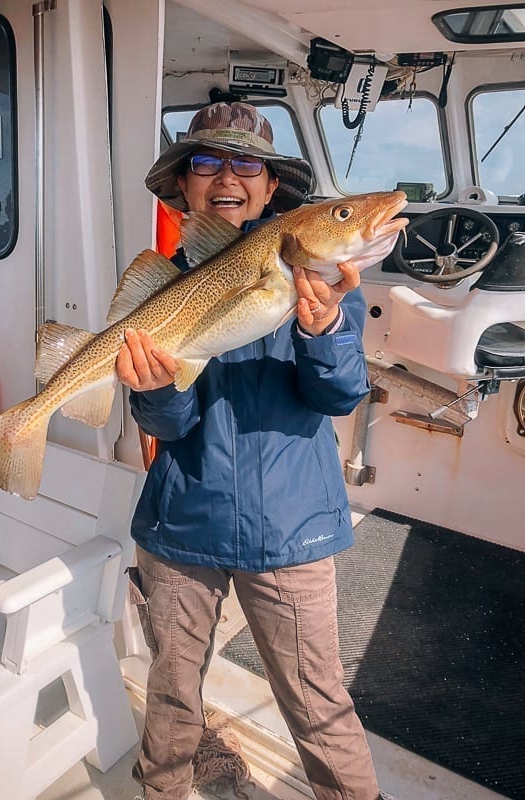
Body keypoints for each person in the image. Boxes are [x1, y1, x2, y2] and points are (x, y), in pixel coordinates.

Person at [119, 102, 384, 800]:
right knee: (173, 697)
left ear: (272, 189)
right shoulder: (162, 285)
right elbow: (168, 424)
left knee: (319, 703)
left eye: (248, 163)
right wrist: (155, 389)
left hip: (291, 526)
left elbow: (339, 396)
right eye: (206, 161)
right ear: (183, 185)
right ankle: (163, 791)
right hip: (181, 524)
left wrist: (324, 331)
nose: (226, 176)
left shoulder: (323, 275)